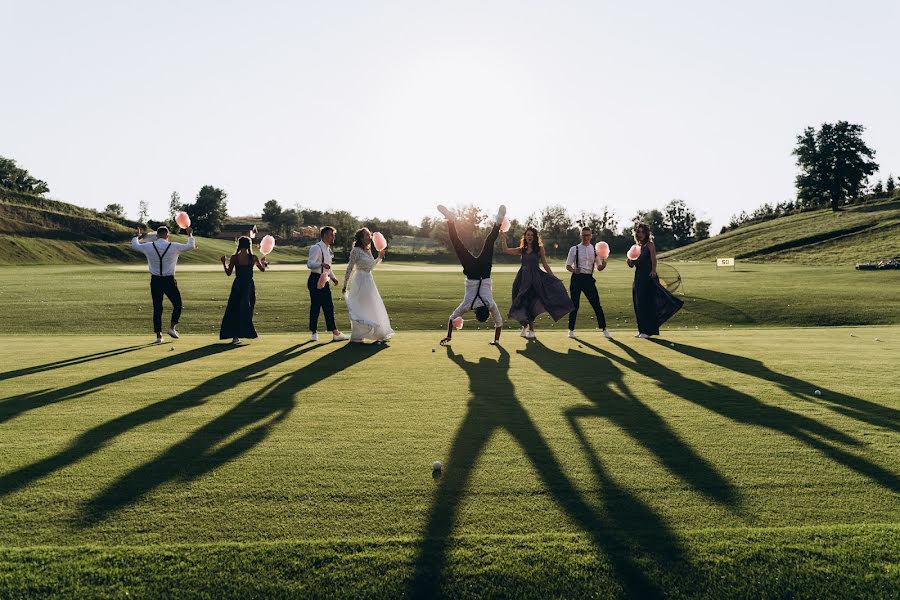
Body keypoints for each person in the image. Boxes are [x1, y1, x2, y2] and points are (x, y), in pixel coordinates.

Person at [437, 204, 506, 346]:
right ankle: (451, 221)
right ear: (475, 312)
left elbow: (499, 324)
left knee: (489, 242)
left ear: (486, 311)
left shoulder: (491, 305)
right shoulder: (467, 306)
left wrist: (497, 340)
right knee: (457, 244)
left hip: (485, 272)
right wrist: (449, 336)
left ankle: (498, 222)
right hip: (472, 272)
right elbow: (451, 318)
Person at [500, 226, 574, 339]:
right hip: (521, 279)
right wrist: (502, 238)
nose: (529, 236)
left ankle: (532, 330)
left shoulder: (539, 249)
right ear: (525, 236)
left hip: (535, 279)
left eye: (531, 235)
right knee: (519, 301)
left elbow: (545, 264)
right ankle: (524, 326)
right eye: (527, 234)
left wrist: (553, 277)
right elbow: (505, 250)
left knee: (530, 302)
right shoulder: (522, 249)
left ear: (534, 237)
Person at [130, 225, 196, 344]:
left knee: (157, 307)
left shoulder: (149, 246)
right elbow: (191, 246)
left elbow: (135, 246)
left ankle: (159, 336)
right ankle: (172, 327)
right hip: (169, 280)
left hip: (155, 280)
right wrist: (189, 235)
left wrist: (136, 236)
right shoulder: (174, 246)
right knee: (177, 304)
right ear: (167, 235)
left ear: (157, 235)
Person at [627, 223, 683, 338]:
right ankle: (642, 330)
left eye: (642, 232)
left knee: (647, 303)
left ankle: (648, 331)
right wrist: (629, 259)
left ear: (646, 233)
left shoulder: (649, 245)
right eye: (638, 232)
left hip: (648, 276)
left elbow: (653, 259)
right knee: (638, 303)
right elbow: (631, 265)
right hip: (638, 277)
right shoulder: (636, 247)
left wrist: (653, 270)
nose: (640, 234)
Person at [342, 228, 394, 343]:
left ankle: (377, 333)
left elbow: (371, 266)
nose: (370, 237)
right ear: (361, 238)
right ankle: (357, 335)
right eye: (367, 235)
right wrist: (345, 284)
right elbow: (350, 267)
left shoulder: (368, 250)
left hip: (369, 280)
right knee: (360, 307)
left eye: (370, 235)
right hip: (359, 280)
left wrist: (379, 257)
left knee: (371, 306)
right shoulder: (356, 250)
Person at [565, 226, 611, 339]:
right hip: (576, 279)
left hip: (589, 279)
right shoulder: (574, 249)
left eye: (588, 235)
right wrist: (574, 270)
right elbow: (567, 266)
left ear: (591, 236)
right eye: (584, 235)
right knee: (574, 305)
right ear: (580, 235)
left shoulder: (595, 250)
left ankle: (604, 329)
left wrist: (603, 265)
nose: (586, 237)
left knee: (596, 304)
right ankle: (570, 330)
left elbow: (599, 267)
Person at [219, 236, 267, 343]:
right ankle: (246, 332)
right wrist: (263, 262)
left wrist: (223, 263)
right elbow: (262, 269)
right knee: (247, 309)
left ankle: (235, 336)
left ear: (239, 245)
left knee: (234, 309)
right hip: (248, 285)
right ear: (249, 245)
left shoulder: (234, 257)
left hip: (237, 285)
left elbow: (228, 273)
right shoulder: (253, 257)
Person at [306, 226, 350, 343]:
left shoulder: (328, 249)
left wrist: (333, 278)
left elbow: (328, 268)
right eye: (331, 235)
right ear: (325, 235)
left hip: (324, 279)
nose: (333, 237)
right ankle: (314, 333)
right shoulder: (316, 248)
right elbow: (310, 264)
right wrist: (321, 265)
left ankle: (335, 333)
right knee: (316, 306)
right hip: (315, 279)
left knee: (328, 306)